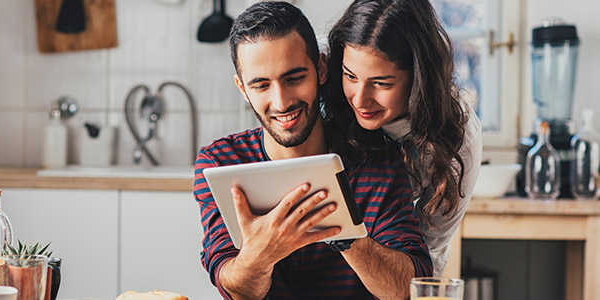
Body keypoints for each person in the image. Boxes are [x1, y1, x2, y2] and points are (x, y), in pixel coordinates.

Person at [193, 2, 432, 299]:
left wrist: (344, 233)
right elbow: (233, 285)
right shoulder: (220, 164)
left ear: (320, 69)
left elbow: (409, 288)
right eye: (261, 86)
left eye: (294, 78)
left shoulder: (377, 160)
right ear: (242, 88)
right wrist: (262, 253)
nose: (281, 102)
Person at [323, 0, 483, 276]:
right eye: (350, 76)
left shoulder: (458, 138)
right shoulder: (323, 78)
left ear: (418, 77)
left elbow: (430, 248)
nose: (359, 100)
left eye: (381, 83)